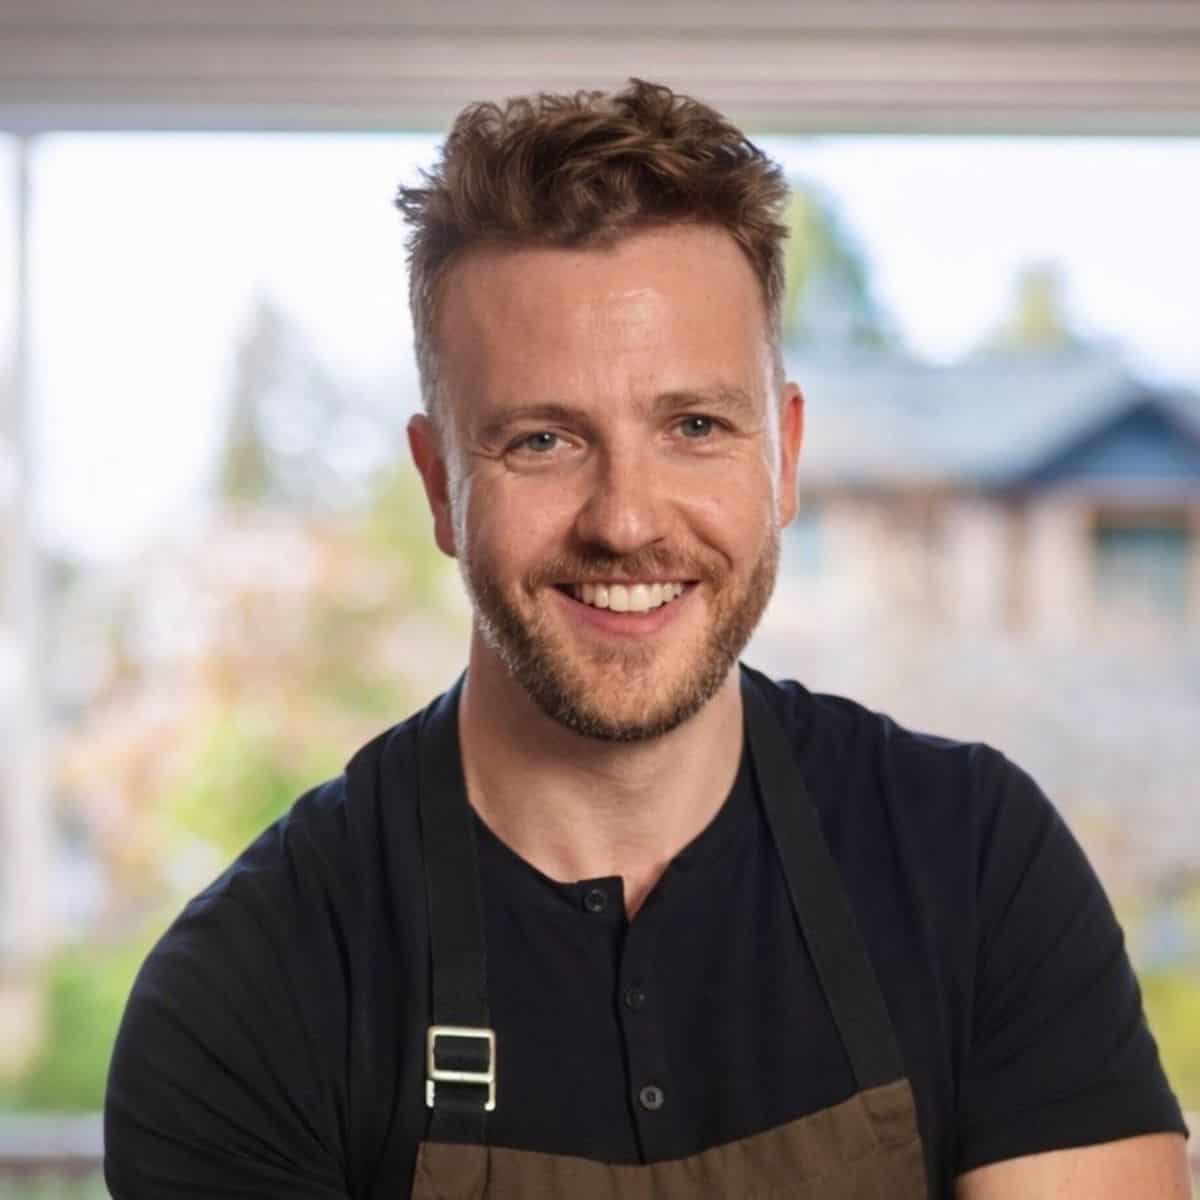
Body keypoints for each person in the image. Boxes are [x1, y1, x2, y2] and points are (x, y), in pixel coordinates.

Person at [103, 79, 1191, 1199]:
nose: (627, 520)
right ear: (440, 487)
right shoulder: (255, 985)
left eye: (696, 427)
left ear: (787, 456)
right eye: (542, 440)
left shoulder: (973, 866)